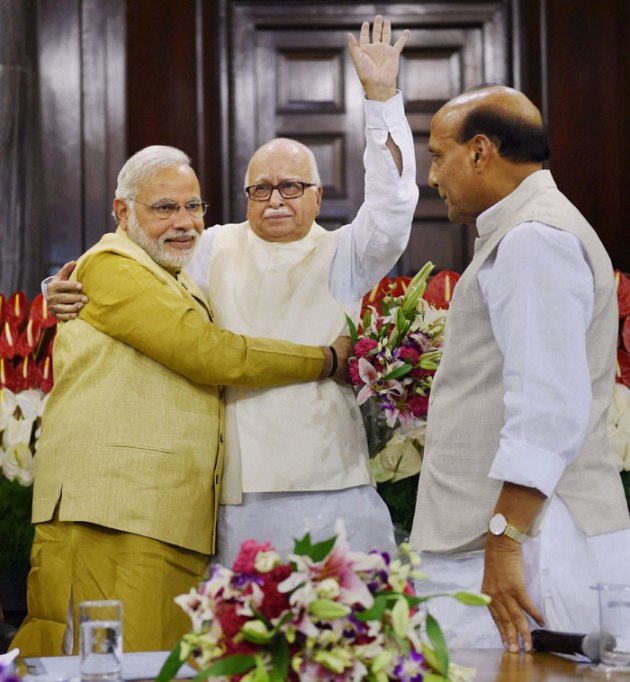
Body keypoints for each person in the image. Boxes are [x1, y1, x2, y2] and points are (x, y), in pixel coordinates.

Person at [45, 16, 419, 565]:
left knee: (356, 635)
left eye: (292, 186)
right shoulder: (209, 244)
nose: (275, 199)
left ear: (318, 197)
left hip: (332, 478)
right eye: (261, 187)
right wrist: (62, 285)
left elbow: (392, 207)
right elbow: (136, 261)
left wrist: (381, 100)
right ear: (244, 196)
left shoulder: (347, 253)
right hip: (234, 488)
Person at [11, 145, 351, 657]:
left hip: (157, 512)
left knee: (154, 664)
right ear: (123, 212)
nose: (185, 222)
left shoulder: (172, 272)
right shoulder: (111, 265)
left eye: (194, 206)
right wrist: (325, 360)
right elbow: (204, 352)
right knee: (106, 664)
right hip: (113, 512)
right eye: (164, 207)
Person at [409, 84, 630, 652]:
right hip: (520, 539)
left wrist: (504, 542)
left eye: (437, 157)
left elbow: (546, 410)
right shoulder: (526, 230)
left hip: (533, 547)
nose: (431, 178)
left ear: (481, 151)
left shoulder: (534, 239)